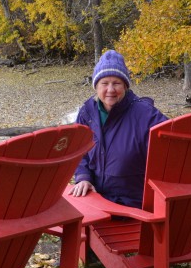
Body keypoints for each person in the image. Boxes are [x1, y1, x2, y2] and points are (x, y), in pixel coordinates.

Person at [68, 50, 168, 207]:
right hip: (96, 198)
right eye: (104, 83)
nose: (110, 90)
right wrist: (83, 177)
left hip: (134, 203)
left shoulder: (145, 114)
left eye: (116, 83)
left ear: (125, 86)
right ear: (96, 86)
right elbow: (78, 150)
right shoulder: (87, 112)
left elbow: (171, 145)